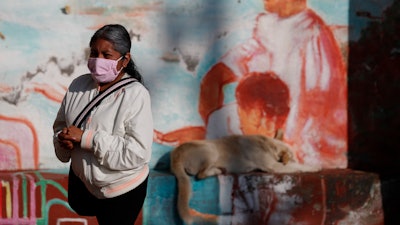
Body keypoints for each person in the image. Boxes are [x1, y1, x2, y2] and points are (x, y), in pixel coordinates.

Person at [155, 0, 347, 169]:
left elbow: (314, 111)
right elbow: (216, 77)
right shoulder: (269, 28)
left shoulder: (312, 35)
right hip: (260, 138)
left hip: (292, 147)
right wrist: (213, 133)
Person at [53, 24, 153, 225]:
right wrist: (63, 141)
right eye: (94, 53)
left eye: (107, 55)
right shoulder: (77, 86)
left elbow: (137, 152)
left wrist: (86, 138)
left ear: (124, 60)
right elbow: (60, 125)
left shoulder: (135, 94)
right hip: (84, 187)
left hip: (121, 189)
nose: (98, 60)